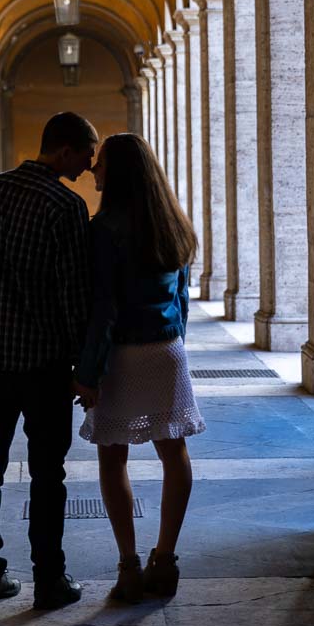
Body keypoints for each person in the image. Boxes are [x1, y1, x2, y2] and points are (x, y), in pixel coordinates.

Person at [0, 111, 98, 611]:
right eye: (87, 153)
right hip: (44, 364)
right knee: (48, 473)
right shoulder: (66, 206)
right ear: (64, 150)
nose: (89, 165)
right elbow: (73, 296)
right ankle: (49, 580)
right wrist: (83, 366)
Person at [73, 132, 205, 602]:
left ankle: (128, 567)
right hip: (167, 351)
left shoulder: (103, 230)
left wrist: (88, 372)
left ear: (119, 172)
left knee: (113, 457)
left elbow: (103, 309)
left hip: (123, 357)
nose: (94, 170)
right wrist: (176, 344)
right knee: (175, 454)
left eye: (101, 163)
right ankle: (165, 560)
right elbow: (182, 299)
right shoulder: (173, 224)